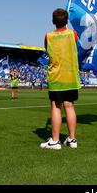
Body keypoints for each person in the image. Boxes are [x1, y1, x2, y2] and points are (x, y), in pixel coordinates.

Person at [40, 8, 80, 150]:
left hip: (56, 76)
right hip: (71, 76)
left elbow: (48, 49)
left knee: (56, 106)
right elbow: (74, 39)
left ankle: (55, 141)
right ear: (67, 20)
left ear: (53, 21)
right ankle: (72, 139)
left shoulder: (48, 36)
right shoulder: (73, 34)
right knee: (69, 106)